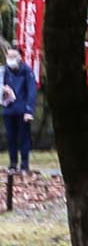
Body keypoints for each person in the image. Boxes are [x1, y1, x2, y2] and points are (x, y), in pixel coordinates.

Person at [2, 46, 35, 174]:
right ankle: (13, 163)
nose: (10, 59)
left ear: (20, 57)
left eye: (13, 56)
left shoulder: (27, 71)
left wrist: (29, 110)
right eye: (8, 56)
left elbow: (31, 91)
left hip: (22, 110)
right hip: (8, 109)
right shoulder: (4, 71)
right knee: (11, 138)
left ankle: (24, 165)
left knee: (24, 138)